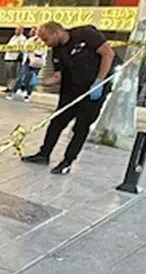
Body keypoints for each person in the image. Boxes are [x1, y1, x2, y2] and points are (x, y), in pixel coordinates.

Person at [20, 21, 117, 175]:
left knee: (81, 127)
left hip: (92, 91)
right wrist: (40, 81)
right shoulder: (57, 51)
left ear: (56, 33)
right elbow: (58, 76)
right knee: (56, 122)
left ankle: (67, 162)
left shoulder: (85, 34)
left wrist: (99, 81)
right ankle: (44, 154)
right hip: (70, 90)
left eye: (46, 39)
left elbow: (108, 54)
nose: (45, 43)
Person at [8, 29, 46, 101]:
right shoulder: (30, 40)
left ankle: (28, 94)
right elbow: (24, 49)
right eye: (37, 31)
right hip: (27, 61)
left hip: (37, 62)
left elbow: (42, 52)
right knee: (21, 76)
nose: (38, 32)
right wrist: (28, 49)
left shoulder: (44, 41)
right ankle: (13, 92)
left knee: (32, 79)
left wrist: (34, 50)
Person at [3, 26, 27, 93]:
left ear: (22, 31)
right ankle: (8, 86)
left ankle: (12, 87)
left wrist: (13, 49)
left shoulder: (22, 38)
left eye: (19, 30)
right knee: (7, 73)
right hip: (8, 57)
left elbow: (22, 48)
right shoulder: (13, 37)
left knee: (13, 74)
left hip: (14, 58)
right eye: (16, 29)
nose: (17, 31)